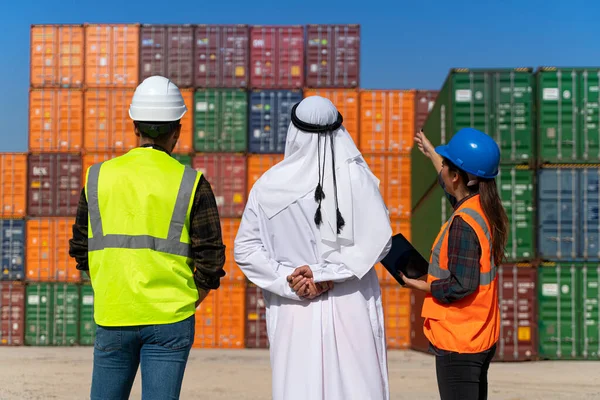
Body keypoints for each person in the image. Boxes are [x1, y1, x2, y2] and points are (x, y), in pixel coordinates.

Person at [68, 75, 226, 400]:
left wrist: (113, 284)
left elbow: (80, 249)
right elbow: (211, 258)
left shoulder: (97, 176)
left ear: (134, 128)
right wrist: (186, 299)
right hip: (171, 318)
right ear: (177, 132)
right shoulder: (191, 182)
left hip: (113, 312)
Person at [234, 96, 393, 400]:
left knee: (298, 389)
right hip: (351, 306)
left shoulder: (267, 186)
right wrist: (326, 274)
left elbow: (246, 249)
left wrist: (289, 281)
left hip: (294, 311)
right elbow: (381, 241)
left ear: (293, 131)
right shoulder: (357, 180)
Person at [401, 128, 508, 400]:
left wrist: (422, 285)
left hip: (458, 340)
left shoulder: (463, 224)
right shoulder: (483, 209)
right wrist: (433, 153)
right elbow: (452, 186)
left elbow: (462, 284)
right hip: (478, 333)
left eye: (446, 165)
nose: (443, 171)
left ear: (458, 175)